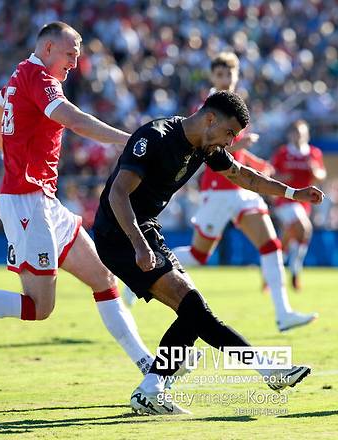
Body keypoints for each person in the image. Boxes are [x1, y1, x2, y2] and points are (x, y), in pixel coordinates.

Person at [0, 22, 155, 376]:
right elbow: (74, 120)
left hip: (43, 200)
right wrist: (126, 140)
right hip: (26, 202)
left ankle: (148, 366)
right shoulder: (38, 78)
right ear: (49, 48)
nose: (75, 62)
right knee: (40, 308)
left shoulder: (18, 76)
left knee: (104, 279)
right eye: (70, 54)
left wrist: (15, 159)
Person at [93, 90, 325, 415]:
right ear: (210, 118)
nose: (230, 142)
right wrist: (138, 245)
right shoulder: (155, 136)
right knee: (195, 310)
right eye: (230, 133)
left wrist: (293, 193)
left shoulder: (205, 146)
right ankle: (267, 369)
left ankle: (152, 388)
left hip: (146, 230)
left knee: (192, 312)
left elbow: (243, 176)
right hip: (118, 233)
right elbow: (118, 194)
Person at [125, 51, 317, 333]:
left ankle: (283, 313)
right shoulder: (211, 108)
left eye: (230, 74)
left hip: (240, 191)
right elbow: (211, 150)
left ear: (237, 75)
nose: (226, 79)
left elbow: (235, 159)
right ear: (212, 77)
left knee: (270, 244)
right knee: (199, 254)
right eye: (220, 74)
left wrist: (255, 162)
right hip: (217, 190)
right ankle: (145, 272)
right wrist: (243, 148)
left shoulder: (236, 106)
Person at [270, 119, 327, 289]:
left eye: (301, 133)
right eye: (295, 133)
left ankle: (275, 263)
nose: (298, 137)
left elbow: (322, 174)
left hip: (304, 203)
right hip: (285, 200)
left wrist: (315, 171)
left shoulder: (313, 153)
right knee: (304, 229)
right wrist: (282, 178)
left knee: (293, 235)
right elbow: (269, 175)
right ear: (290, 134)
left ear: (307, 135)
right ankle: (295, 270)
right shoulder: (282, 153)